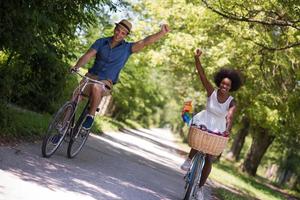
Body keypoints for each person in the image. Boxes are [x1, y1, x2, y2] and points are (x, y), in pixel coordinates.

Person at [70, 19, 170, 130]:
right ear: (115, 29)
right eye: (118, 30)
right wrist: (76, 66)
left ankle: (90, 115)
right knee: (74, 99)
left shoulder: (128, 48)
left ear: (126, 35)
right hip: (91, 76)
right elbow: (88, 55)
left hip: (106, 81)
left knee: (97, 86)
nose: (119, 34)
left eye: (123, 33)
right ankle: (61, 128)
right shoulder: (101, 42)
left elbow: (145, 41)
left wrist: (161, 33)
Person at [180, 49, 242, 199]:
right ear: (219, 83)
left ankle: (200, 188)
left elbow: (230, 117)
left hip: (218, 126)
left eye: (227, 86)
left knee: (209, 158)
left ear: (231, 87)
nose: (224, 87)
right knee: (199, 135)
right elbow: (202, 75)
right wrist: (196, 58)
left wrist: (227, 130)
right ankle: (189, 160)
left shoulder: (231, 101)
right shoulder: (211, 92)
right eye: (222, 84)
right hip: (205, 119)